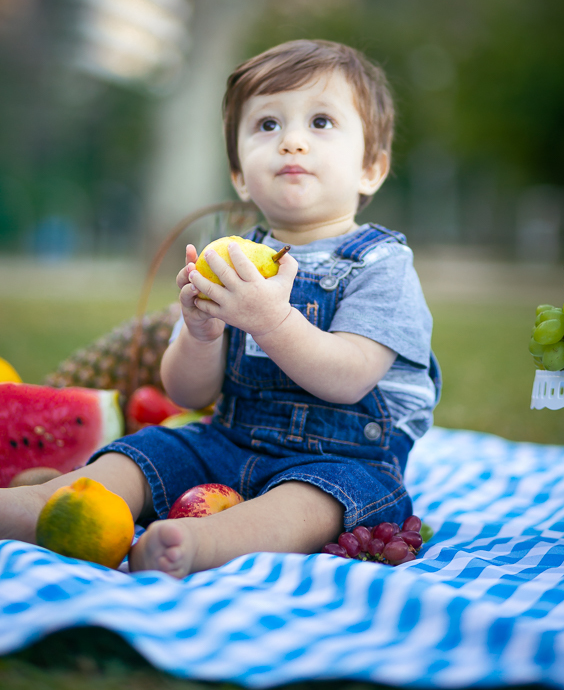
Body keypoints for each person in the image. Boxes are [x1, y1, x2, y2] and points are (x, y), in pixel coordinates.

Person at [1, 40, 441, 578]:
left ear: (371, 168)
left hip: (341, 462)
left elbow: (349, 378)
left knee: (310, 504)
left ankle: (199, 542)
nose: (293, 141)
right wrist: (201, 334)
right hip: (229, 440)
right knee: (145, 452)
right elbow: (188, 395)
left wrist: (272, 321)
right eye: (268, 125)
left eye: (321, 122)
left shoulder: (382, 265)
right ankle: (37, 506)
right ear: (239, 175)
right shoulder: (230, 259)